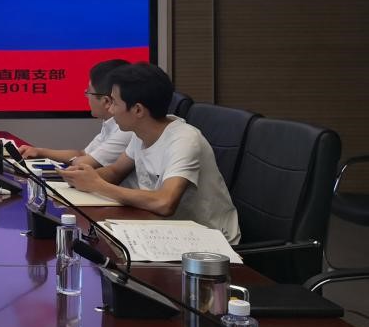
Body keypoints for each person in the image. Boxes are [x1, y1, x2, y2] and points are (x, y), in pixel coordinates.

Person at [61, 62, 241, 243]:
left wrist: (97, 185)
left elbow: (165, 202)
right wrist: (81, 177)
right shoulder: (140, 133)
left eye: (114, 102)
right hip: (162, 228)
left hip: (209, 240)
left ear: (138, 110)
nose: (110, 108)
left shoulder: (184, 139)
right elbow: (115, 172)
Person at [21, 58, 132, 166]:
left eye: (89, 92)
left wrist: (74, 162)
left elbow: (85, 162)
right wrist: (39, 152)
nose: (87, 96)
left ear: (106, 101)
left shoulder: (126, 130)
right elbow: (83, 154)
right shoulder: (110, 123)